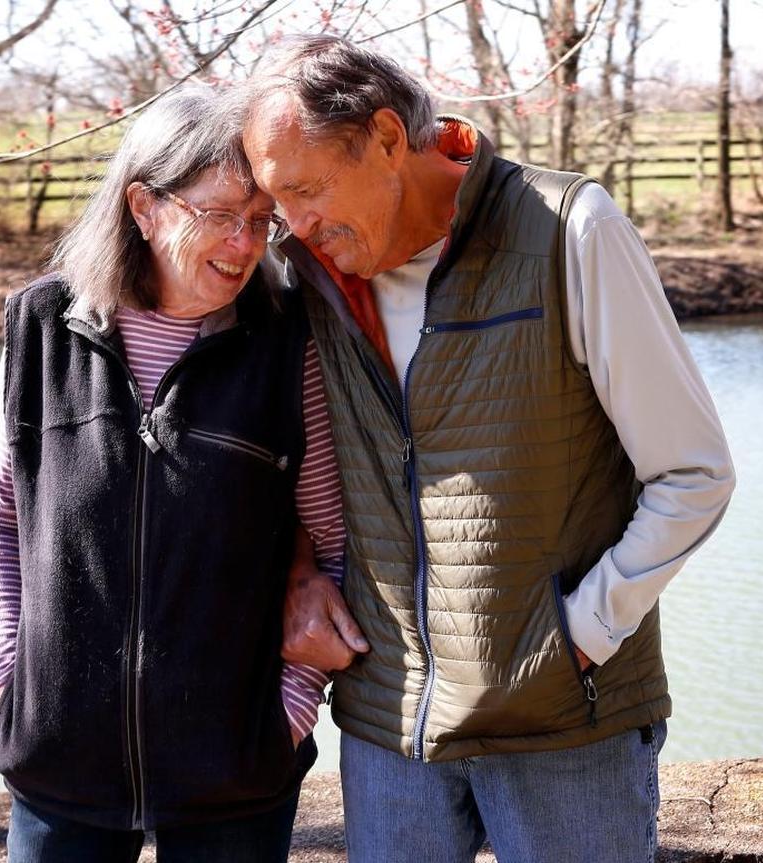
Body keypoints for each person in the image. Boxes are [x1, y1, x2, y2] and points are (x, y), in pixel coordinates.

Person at [237, 36, 737, 863]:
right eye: (277, 202)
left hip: (564, 727)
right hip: (388, 727)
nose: (294, 225)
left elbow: (693, 473)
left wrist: (576, 635)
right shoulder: (310, 274)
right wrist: (297, 570)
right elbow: (284, 462)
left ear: (389, 139)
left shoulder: (570, 230)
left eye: (308, 190)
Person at [0, 85, 344, 863]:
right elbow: (0, 516)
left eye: (259, 220)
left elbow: (334, 539)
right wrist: (13, 681)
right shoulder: (42, 327)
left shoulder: (283, 346)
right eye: (218, 214)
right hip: (58, 766)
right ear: (144, 206)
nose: (244, 245)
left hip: (234, 775)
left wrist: (288, 712)